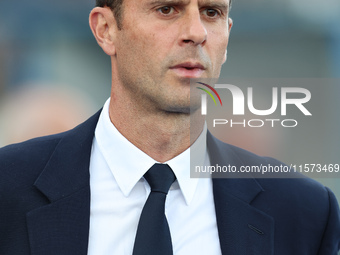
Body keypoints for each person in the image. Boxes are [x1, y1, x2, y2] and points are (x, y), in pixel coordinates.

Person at [0, 0, 339, 254]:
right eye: (166, 9)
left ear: (227, 37)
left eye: (211, 12)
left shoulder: (303, 211)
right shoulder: (8, 188)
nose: (196, 33)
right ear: (106, 30)